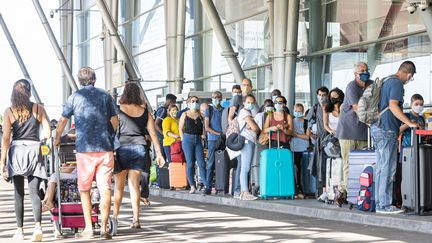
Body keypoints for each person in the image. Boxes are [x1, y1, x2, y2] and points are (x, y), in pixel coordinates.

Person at [55, 67, 119, 239]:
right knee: (105, 188)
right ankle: (104, 227)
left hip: (85, 150)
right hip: (105, 149)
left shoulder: (75, 97)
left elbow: (63, 120)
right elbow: (115, 120)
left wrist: (56, 138)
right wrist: (108, 134)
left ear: (79, 81)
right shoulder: (105, 96)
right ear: (95, 79)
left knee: (84, 189)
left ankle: (89, 228)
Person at [0, 79, 51, 241]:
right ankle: (38, 227)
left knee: (18, 193)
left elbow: (6, 138)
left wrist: (2, 161)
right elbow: (48, 132)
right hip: (35, 150)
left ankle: (20, 231)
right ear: (29, 91)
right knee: (34, 192)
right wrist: (43, 144)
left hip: (17, 152)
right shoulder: (38, 108)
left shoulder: (9, 112)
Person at [112, 82, 165, 230]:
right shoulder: (145, 111)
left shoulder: (118, 110)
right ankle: (136, 220)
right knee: (134, 186)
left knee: (119, 187)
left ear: (124, 93)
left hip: (121, 148)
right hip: (139, 148)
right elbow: (153, 134)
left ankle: (114, 218)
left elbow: (112, 130)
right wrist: (159, 153)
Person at [371, 61, 418, 214]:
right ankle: (384, 205)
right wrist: (408, 122)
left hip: (377, 128)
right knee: (387, 167)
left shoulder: (386, 80)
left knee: (381, 167)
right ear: (409, 74)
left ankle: (379, 202)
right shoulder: (397, 83)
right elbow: (393, 105)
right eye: (410, 78)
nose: (409, 80)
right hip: (387, 129)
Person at [336, 62, 372, 205]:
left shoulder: (371, 85)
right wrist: (370, 121)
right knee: (349, 162)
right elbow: (357, 107)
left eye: (367, 70)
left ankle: (360, 191)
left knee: (363, 163)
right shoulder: (352, 86)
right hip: (348, 130)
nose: (365, 72)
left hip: (363, 131)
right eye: (362, 71)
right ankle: (346, 192)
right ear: (355, 74)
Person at [179, 96, 208, 194]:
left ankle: (206, 184)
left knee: (201, 163)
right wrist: (183, 138)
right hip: (187, 139)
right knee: (190, 163)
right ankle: (192, 185)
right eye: (193, 101)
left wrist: (203, 135)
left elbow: (203, 127)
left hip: (198, 139)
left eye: (196, 101)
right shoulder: (185, 114)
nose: (195, 102)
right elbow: (180, 128)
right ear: (188, 103)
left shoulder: (200, 115)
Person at [305, 86, 329, 200]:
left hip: (330, 139)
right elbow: (310, 122)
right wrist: (312, 134)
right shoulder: (315, 108)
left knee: (328, 166)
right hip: (319, 141)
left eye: (324, 95)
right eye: (319, 95)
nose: (321, 97)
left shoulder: (331, 107)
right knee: (319, 166)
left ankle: (330, 190)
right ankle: (320, 192)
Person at [237, 95, 260, 200]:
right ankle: (245, 192)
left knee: (244, 167)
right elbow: (256, 128)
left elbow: (253, 127)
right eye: (248, 102)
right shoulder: (245, 112)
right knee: (245, 168)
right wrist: (253, 126)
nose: (250, 104)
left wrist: (252, 126)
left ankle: (243, 192)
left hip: (247, 141)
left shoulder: (247, 113)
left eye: (252, 102)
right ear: (244, 102)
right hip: (247, 142)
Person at [204, 91, 224, 195]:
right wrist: (218, 133)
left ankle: (221, 185)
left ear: (221, 98)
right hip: (212, 140)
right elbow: (207, 127)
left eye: (218, 97)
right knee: (211, 163)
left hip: (223, 139)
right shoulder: (209, 109)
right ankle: (208, 186)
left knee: (223, 163)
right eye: (214, 97)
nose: (216, 98)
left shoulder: (224, 110)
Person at [291, 103, 311, 199]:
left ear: (303, 112)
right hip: (294, 149)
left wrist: (296, 134)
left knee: (303, 171)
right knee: (295, 170)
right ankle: (297, 190)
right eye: (296, 111)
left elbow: (307, 137)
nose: (297, 113)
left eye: (299, 111)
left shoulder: (307, 122)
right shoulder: (291, 121)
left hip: (304, 149)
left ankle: (304, 190)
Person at [154, 94, 177, 159]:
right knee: (162, 157)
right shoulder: (163, 110)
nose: (174, 104)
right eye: (174, 102)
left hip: (161, 138)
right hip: (161, 138)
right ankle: (160, 169)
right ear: (170, 101)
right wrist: (164, 134)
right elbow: (156, 124)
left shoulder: (164, 110)